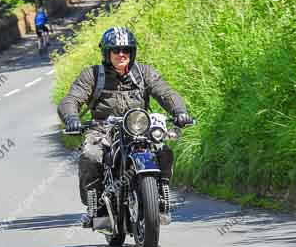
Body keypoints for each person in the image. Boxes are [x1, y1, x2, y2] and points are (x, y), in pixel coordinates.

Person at [57, 27, 194, 226]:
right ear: (107, 53)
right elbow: (71, 99)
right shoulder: (92, 75)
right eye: (116, 50)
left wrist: (179, 111)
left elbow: (166, 93)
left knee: (163, 150)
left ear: (132, 52)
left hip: (139, 127)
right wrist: (71, 117)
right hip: (103, 129)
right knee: (91, 156)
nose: (121, 54)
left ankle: (161, 197)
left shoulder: (145, 72)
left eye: (126, 50)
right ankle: (96, 207)